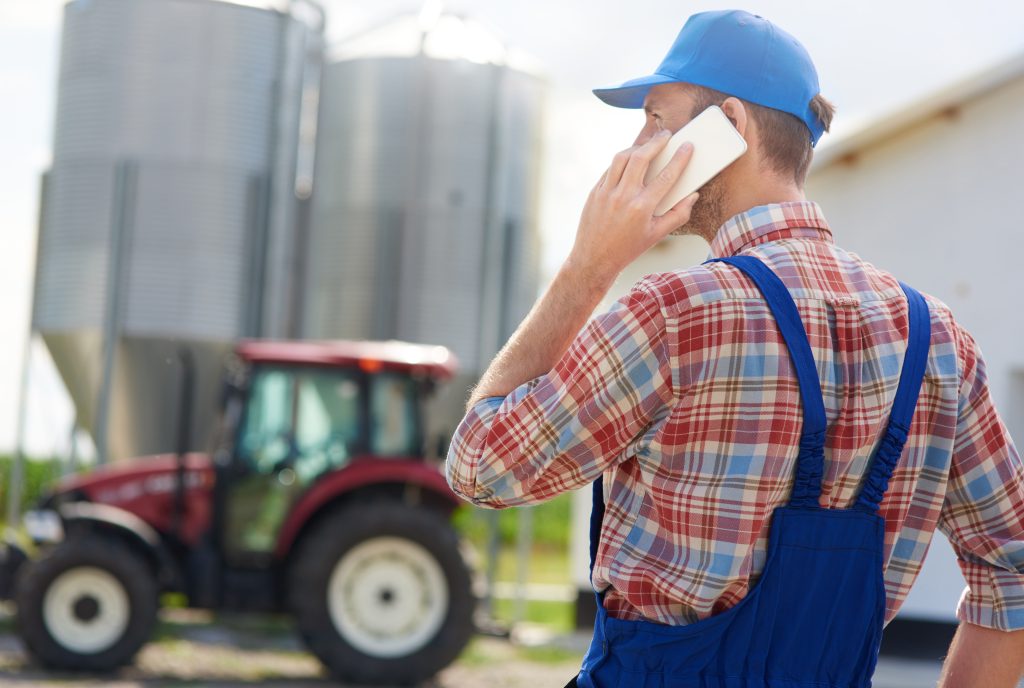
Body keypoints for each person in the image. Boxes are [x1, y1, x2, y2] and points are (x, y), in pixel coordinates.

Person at [446, 9, 1024, 687]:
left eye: (658, 119)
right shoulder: (939, 340)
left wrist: (586, 268)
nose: (638, 146)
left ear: (731, 127)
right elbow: (1012, 568)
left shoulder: (671, 313)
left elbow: (481, 466)